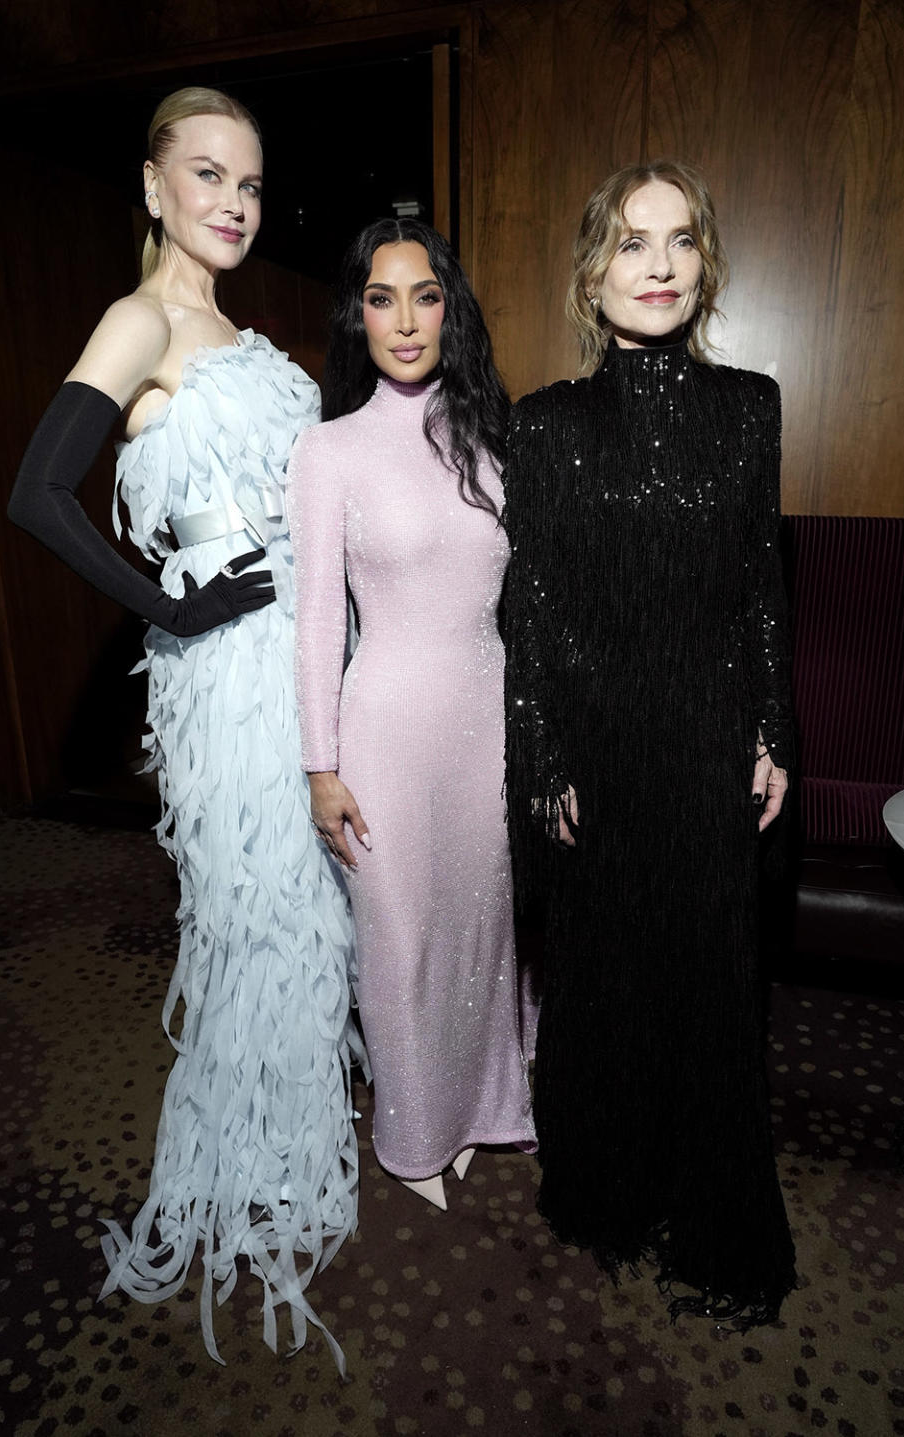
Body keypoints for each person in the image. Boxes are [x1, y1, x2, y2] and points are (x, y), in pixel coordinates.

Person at [8, 87, 362, 1368]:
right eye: (207, 175)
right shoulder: (142, 318)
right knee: (255, 908)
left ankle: (286, 1142)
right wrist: (169, 600)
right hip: (224, 674)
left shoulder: (245, 331)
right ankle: (248, 1164)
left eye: (252, 185)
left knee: (314, 906)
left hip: (307, 656)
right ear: (153, 185)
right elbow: (38, 493)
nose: (233, 202)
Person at [502, 160, 797, 1327]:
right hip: (604, 754)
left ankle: (709, 1201)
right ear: (592, 270)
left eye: (679, 243)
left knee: (713, 985)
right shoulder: (546, 425)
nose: (659, 266)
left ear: (705, 264)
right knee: (606, 983)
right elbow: (534, 610)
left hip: (710, 744)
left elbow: (763, 591)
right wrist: (544, 756)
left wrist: (775, 731)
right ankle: (611, 1190)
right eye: (632, 243)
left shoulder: (752, 406)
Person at [289, 218, 535, 1212]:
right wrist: (319, 767)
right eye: (381, 297)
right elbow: (314, 621)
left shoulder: (496, 439)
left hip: (490, 726)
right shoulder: (327, 449)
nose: (404, 319)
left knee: (485, 930)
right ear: (357, 313)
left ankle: (483, 1106)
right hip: (381, 731)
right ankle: (416, 1129)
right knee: (400, 939)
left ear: (450, 309)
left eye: (424, 295)